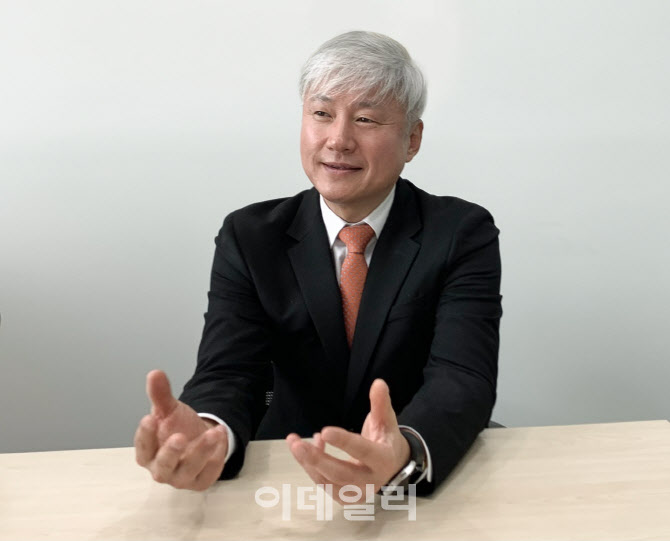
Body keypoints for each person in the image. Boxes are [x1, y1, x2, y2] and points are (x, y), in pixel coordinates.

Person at [134, 30, 502, 500]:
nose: (339, 140)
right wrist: (208, 433)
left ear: (412, 139)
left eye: (366, 119)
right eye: (322, 114)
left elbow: (461, 375)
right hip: (286, 475)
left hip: (412, 479)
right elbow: (229, 371)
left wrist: (405, 454)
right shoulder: (250, 236)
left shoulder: (460, 232)